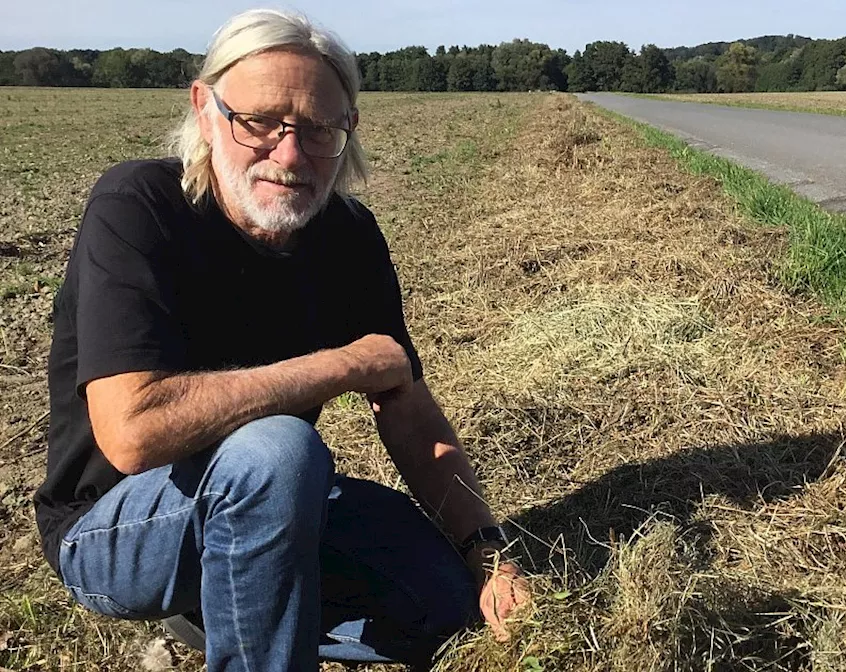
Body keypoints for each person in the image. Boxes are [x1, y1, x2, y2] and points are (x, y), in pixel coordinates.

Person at [32, 8, 530, 670]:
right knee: (278, 449)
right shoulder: (140, 205)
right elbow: (133, 433)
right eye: (260, 121)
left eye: (319, 129)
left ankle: (232, 603)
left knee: (444, 603)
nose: (290, 154)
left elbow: (406, 408)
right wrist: (339, 366)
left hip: (272, 504)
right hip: (113, 529)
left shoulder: (348, 235)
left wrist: (488, 552)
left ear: (346, 133)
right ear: (206, 111)